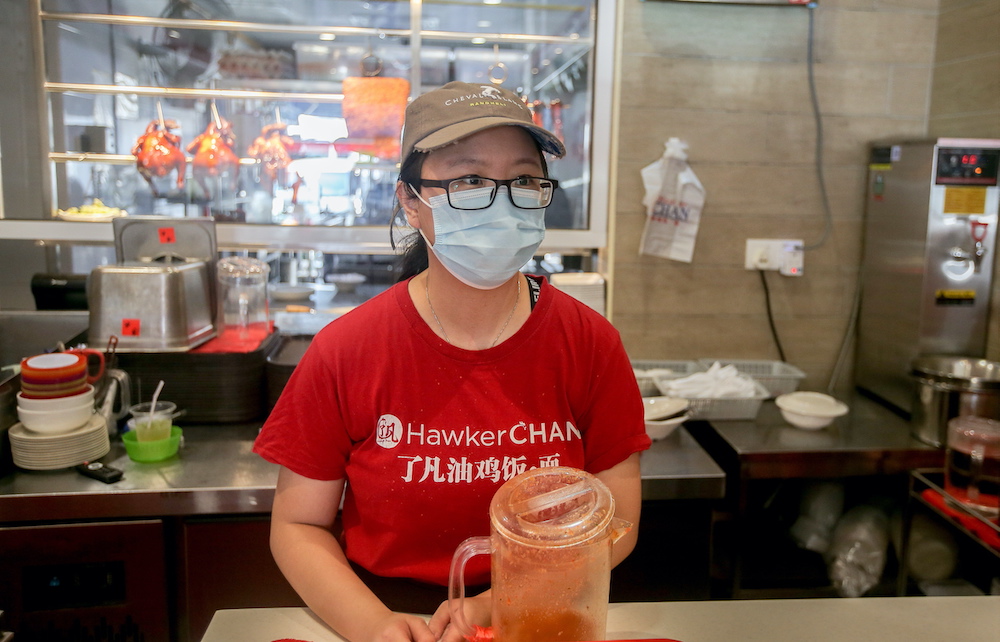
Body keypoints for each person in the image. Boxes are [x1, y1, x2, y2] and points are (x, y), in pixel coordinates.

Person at [253, 81, 651, 642]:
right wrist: (373, 627)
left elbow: (618, 522)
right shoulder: (348, 349)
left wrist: (500, 605)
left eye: (522, 180)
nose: (502, 199)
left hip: (546, 613)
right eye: (468, 180)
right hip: (385, 613)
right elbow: (297, 525)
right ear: (411, 202)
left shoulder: (589, 342)